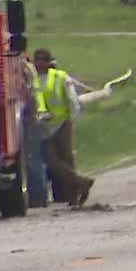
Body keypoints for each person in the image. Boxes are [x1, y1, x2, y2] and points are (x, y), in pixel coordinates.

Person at [34, 49, 95, 207]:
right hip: (44, 127)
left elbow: (72, 99)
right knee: (52, 162)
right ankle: (82, 182)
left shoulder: (60, 77)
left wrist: (71, 119)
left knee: (66, 159)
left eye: (42, 60)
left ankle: (73, 197)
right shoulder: (32, 79)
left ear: (49, 62)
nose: (39, 63)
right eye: (37, 60)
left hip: (62, 125)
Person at [20, 56, 48, 208]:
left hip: (30, 118)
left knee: (33, 159)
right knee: (33, 159)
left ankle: (38, 197)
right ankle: (38, 195)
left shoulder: (25, 69)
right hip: (32, 116)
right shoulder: (28, 68)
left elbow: (30, 95)